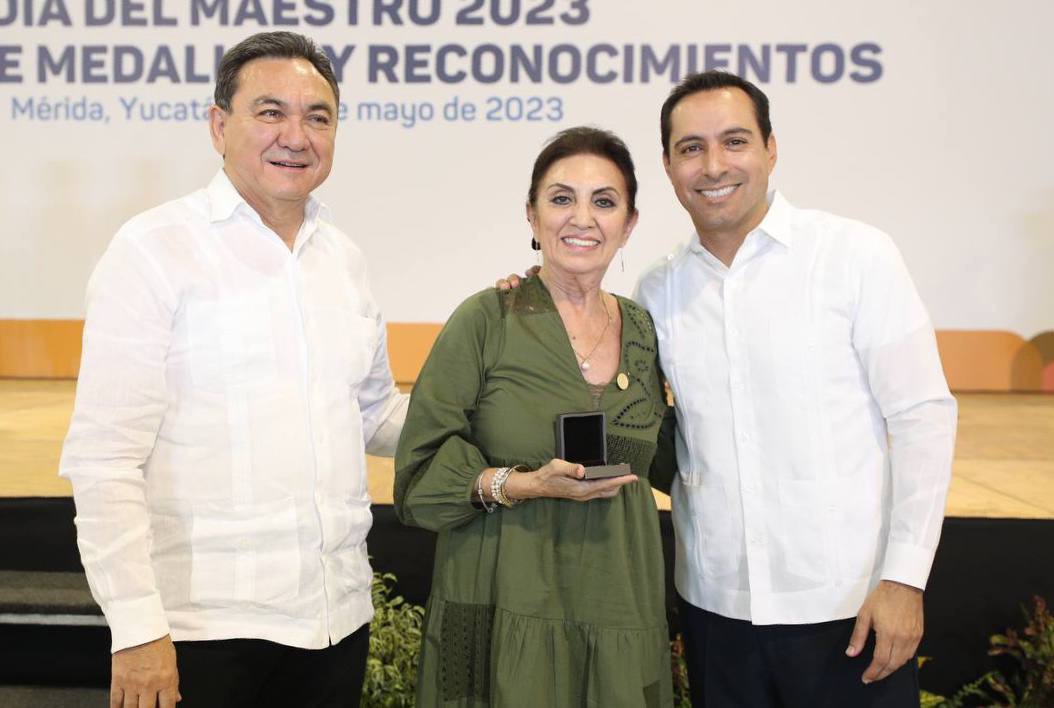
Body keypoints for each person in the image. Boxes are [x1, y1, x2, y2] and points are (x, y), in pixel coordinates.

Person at [59, 31, 407, 708]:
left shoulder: (343, 260)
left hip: (336, 622)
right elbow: (104, 458)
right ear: (219, 126)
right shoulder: (153, 251)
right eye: (270, 112)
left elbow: (374, 412)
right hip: (200, 635)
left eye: (318, 117)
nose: (296, 137)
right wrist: (137, 630)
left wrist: (498, 404)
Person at [633, 71, 958, 707]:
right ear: (668, 166)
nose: (713, 165)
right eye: (691, 148)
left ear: (771, 148)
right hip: (716, 614)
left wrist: (904, 578)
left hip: (851, 611)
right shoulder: (657, 289)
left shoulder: (855, 256)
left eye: (735, 141)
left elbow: (922, 416)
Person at [394, 126, 676, 707]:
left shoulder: (646, 329)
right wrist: (523, 484)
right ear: (532, 214)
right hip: (502, 604)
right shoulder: (485, 320)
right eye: (561, 198)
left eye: (604, 201)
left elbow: (676, 456)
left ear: (629, 223)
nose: (582, 218)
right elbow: (419, 476)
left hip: (619, 607)